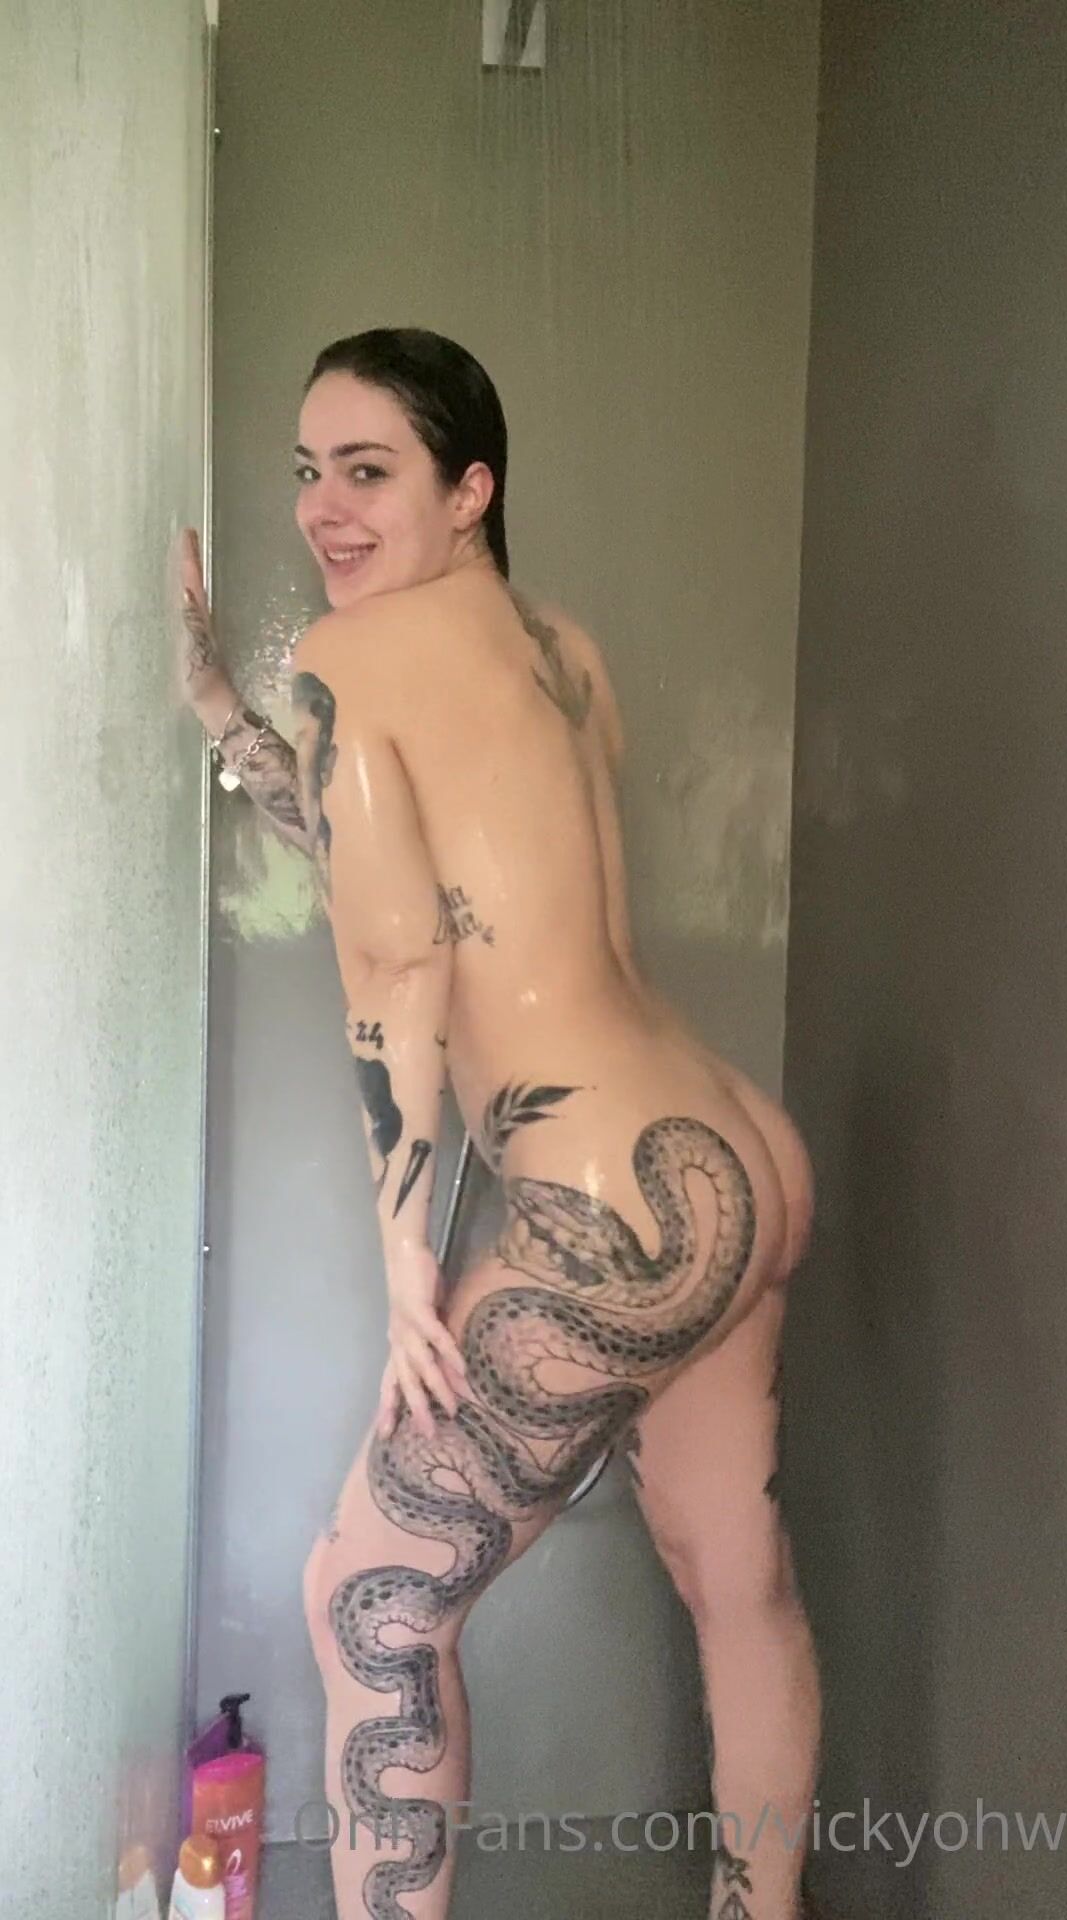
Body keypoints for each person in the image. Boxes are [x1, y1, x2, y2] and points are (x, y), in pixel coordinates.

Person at [178, 326, 821, 1920]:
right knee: (736, 1581)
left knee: (370, 1607)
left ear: (471, 488)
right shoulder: (556, 645)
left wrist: (406, 1259)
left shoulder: (353, 660)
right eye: (309, 472)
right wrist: (224, 716)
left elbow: (402, 955)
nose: (324, 509)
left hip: (612, 1204)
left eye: (369, 470)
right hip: (735, 1159)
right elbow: (431, 858)